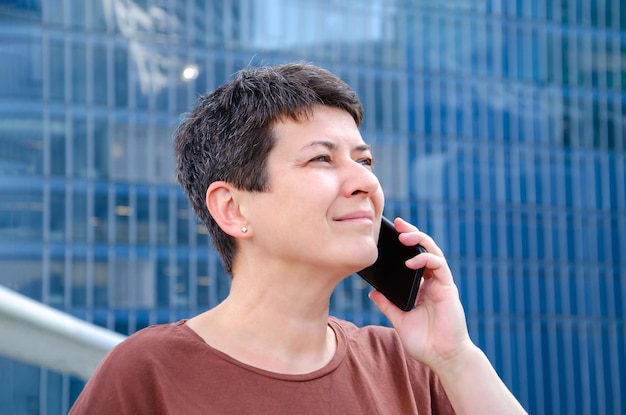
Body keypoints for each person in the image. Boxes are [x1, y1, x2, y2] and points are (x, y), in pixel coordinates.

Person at [70, 62, 527, 414]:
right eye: (321, 160)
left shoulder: (407, 366)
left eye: (364, 161)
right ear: (233, 208)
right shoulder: (147, 374)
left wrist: (455, 355)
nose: (364, 183)